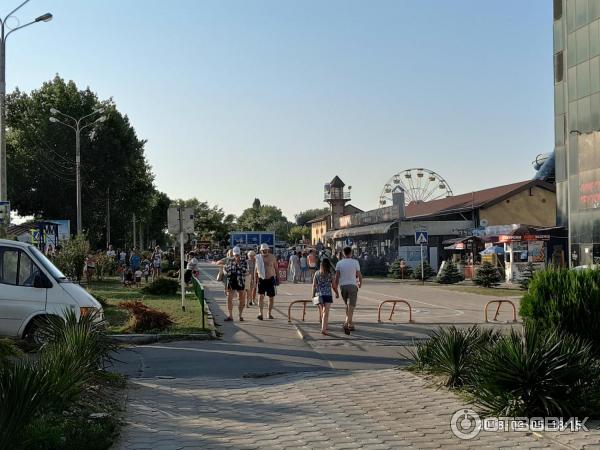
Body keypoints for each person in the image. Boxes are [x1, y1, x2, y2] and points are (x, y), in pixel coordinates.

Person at [335, 246, 362, 335]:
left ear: (343, 253)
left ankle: (350, 324)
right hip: (352, 285)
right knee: (351, 306)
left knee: (348, 305)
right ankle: (346, 323)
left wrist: (335, 287)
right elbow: (359, 274)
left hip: (343, 286)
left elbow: (337, 276)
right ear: (351, 253)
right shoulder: (355, 262)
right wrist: (360, 283)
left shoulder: (339, 263)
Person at [312, 258, 339, 335]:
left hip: (319, 295)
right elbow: (334, 286)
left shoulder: (317, 273)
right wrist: (337, 293)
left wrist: (313, 296)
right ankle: (323, 328)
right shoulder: (330, 274)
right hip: (327, 295)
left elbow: (314, 286)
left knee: (322, 311)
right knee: (325, 312)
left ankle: (324, 325)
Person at [223, 246, 247, 322]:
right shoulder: (229, 260)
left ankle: (240, 315)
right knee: (229, 298)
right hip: (231, 280)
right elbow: (225, 269)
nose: (236, 256)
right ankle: (230, 315)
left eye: (237, 254)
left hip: (240, 280)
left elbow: (245, 270)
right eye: (235, 255)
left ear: (240, 254)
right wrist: (225, 272)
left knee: (241, 298)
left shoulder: (243, 260)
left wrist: (238, 263)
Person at [255, 243, 278, 320]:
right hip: (261, 279)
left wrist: (277, 278)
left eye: (266, 250)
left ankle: (269, 313)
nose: (264, 252)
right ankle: (260, 313)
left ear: (268, 250)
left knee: (271, 297)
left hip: (270, 279)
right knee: (261, 296)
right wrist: (255, 280)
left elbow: (276, 268)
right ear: (261, 251)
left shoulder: (272, 257)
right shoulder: (258, 258)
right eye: (263, 250)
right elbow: (256, 270)